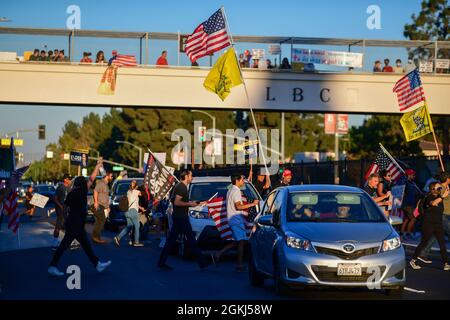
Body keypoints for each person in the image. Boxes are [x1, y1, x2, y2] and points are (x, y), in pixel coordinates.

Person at [48, 160, 112, 276]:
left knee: (86, 245)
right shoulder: (82, 191)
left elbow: (65, 208)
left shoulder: (72, 193)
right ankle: (52, 266)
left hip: (74, 223)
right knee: (64, 246)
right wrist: (97, 166)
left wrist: (65, 220)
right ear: (82, 184)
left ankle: (97, 264)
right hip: (76, 224)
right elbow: (92, 179)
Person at [157, 170, 211, 270]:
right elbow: (177, 202)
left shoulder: (179, 186)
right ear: (186, 176)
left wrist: (198, 203)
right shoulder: (182, 187)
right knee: (190, 240)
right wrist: (190, 204)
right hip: (181, 217)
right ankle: (202, 262)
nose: (192, 177)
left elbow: (179, 201)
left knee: (173, 241)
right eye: (191, 176)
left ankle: (161, 262)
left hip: (179, 217)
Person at [212, 174, 259, 272]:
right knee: (241, 241)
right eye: (242, 180)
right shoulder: (236, 191)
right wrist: (252, 204)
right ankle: (239, 264)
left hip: (233, 219)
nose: (243, 182)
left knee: (237, 242)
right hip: (236, 220)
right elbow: (238, 206)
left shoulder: (230, 190)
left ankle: (218, 254)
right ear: (237, 180)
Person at [409, 182, 450, 271]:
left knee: (442, 244)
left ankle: (446, 263)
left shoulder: (440, 198)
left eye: (440, 188)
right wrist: (443, 196)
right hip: (428, 224)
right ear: (433, 189)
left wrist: (445, 193)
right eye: (439, 188)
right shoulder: (428, 197)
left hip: (438, 224)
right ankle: (413, 260)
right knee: (424, 243)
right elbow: (433, 203)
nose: (440, 190)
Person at [418, 172, 450, 263]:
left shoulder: (445, 187)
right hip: (443, 215)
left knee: (435, 236)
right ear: (447, 179)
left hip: (444, 215)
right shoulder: (440, 188)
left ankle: (422, 253)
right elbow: (433, 200)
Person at [114, 180, 145, 247]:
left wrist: (140, 207)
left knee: (129, 227)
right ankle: (136, 242)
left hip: (127, 211)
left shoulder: (128, 192)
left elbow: (133, 202)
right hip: (133, 211)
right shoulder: (137, 192)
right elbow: (143, 194)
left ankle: (118, 237)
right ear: (136, 186)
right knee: (137, 226)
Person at [51, 174, 73, 250]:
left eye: (71, 179)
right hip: (60, 210)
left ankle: (67, 242)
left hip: (65, 209)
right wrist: (60, 206)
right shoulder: (61, 187)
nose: (70, 180)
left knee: (67, 225)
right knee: (59, 225)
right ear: (65, 180)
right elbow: (54, 198)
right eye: (69, 179)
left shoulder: (67, 188)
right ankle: (54, 243)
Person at [401, 168, 423, 240]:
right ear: (408, 175)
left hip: (409, 204)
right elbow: (402, 192)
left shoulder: (412, 183)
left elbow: (417, 192)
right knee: (413, 219)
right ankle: (408, 234)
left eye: (414, 174)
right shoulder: (405, 182)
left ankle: (402, 233)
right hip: (408, 204)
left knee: (407, 219)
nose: (414, 176)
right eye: (412, 175)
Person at [92, 170, 113, 244]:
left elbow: (106, 197)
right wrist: (96, 202)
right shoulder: (101, 183)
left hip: (103, 206)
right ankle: (95, 237)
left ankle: (96, 237)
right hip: (98, 205)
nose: (112, 177)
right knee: (102, 219)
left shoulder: (106, 185)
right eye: (111, 176)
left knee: (99, 221)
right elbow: (95, 191)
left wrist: (107, 207)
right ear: (107, 176)